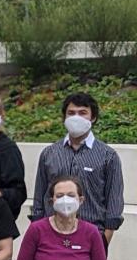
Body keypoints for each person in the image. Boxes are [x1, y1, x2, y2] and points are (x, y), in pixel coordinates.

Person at [31, 92, 124, 247]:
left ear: (93, 117)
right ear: (64, 117)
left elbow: (114, 202)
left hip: (92, 235)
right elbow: (40, 197)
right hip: (50, 236)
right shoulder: (49, 153)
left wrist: (103, 242)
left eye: (82, 113)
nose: (76, 117)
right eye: (71, 113)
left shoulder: (108, 156)